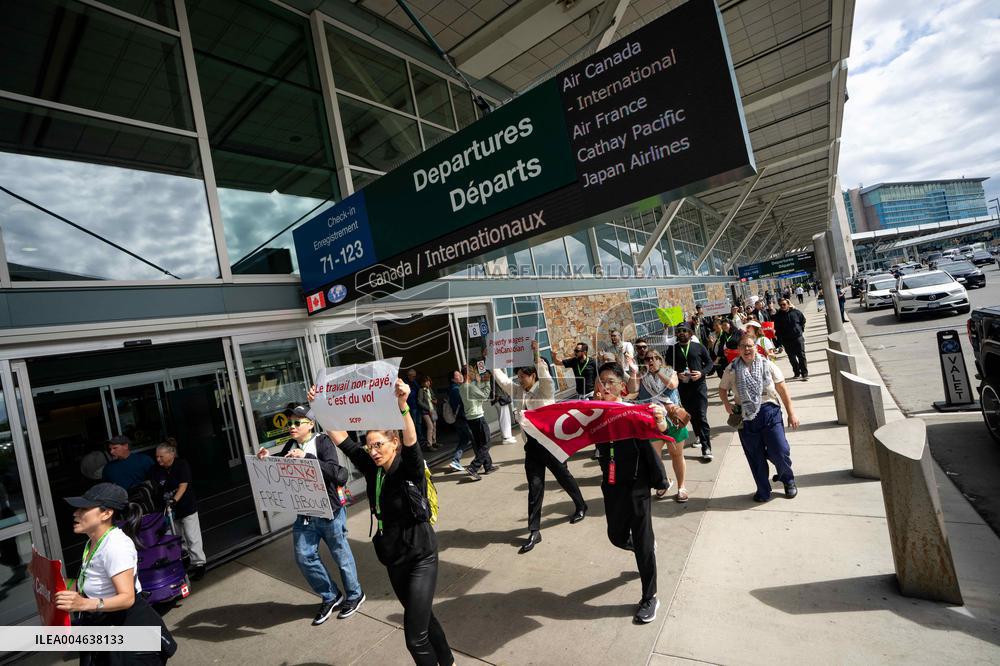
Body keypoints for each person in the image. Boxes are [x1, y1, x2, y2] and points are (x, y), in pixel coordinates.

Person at [322, 380, 455, 666]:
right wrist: (320, 406)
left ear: (393, 443)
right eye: (370, 446)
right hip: (394, 560)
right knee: (424, 619)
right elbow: (343, 440)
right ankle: (448, 661)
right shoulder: (374, 469)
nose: (372, 451)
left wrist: (403, 405)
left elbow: (411, 441)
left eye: (378, 444)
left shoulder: (409, 468)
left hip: (421, 557)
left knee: (414, 637)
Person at [256, 406, 364, 625]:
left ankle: (355, 595)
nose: (292, 427)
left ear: (310, 424)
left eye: (297, 423)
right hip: (305, 513)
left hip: (329, 511)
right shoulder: (290, 445)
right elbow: (281, 471)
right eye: (290, 423)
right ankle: (330, 595)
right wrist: (267, 459)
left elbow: (335, 472)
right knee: (304, 556)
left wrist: (306, 457)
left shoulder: (322, 442)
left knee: (340, 555)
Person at [57, 482, 176, 665]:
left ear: (106, 513)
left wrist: (84, 603)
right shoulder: (93, 543)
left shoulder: (116, 546)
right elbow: (91, 584)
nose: (76, 513)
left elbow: (127, 598)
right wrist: (52, 578)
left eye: (84, 508)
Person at [592, 362, 672, 624]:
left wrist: (661, 419)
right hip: (612, 485)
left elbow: (662, 427)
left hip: (637, 485)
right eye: (600, 381)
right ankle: (643, 548)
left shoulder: (631, 411)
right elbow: (561, 419)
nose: (604, 386)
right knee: (615, 536)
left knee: (642, 540)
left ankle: (650, 597)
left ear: (622, 388)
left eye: (609, 382)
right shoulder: (592, 413)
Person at [494, 341, 587, 554]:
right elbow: (501, 380)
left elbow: (545, 373)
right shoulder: (518, 390)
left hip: (551, 446)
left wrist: (536, 354)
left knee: (564, 477)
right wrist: (493, 362)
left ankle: (581, 505)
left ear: (533, 376)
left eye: (523, 376)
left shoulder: (545, 389)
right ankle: (534, 530)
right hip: (532, 449)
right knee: (535, 489)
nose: (519, 379)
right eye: (518, 376)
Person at [719, 333, 800, 502]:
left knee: (780, 450)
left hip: (769, 411)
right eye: (743, 347)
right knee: (755, 457)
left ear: (756, 347)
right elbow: (722, 388)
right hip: (746, 417)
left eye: (750, 346)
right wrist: (727, 404)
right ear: (739, 350)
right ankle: (763, 489)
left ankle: (788, 480)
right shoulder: (731, 369)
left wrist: (791, 413)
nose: (747, 349)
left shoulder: (767, 365)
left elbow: (782, 389)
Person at [148, 439, 206, 581]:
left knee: (192, 537)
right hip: (169, 510)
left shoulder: (181, 465)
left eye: (161, 456)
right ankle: (185, 561)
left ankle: (199, 564)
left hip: (186, 506)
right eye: (156, 456)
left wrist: (174, 501)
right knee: (178, 538)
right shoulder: (156, 470)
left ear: (171, 454)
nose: (158, 459)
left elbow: (183, 485)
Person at [637, 351, 688, 502]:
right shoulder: (642, 376)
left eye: (654, 358)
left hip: (673, 421)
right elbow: (633, 391)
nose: (651, 361)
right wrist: (634, 372)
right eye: (647, 359)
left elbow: (672, 385)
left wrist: (658, 371)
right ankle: (664, 482)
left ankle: (681, 487)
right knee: (655, 458)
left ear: (660, 359)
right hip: (653, 422)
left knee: (676, 455)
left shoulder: (670, 372)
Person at [666, 324, 715, 460]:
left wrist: (702, 373)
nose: (681, 333)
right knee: (691, 415)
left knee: (701, 416)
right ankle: (698, 435)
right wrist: (677, 374)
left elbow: (710, 364)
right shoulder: (672, 349)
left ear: (690, 333)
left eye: (684, 331)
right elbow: (668, 367)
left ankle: (706, 447)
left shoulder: (698, 347)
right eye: (679, 331)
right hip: (683, 388)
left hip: (699, 387)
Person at [458, 364, 497, 480]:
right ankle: (473, 467)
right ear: (468, 374)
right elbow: (485, 396)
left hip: (470, 418)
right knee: (486, 443)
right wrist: (487, 382)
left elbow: (476, 395)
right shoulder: (470, 387)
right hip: (478, 417)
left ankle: (488, 466)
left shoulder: (462, 387)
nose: (474, 374)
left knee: (481, 443)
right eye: (472, 372)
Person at [773, 299, 809, 381]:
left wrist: (800, 330)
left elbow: (803, 320)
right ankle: (796, 372)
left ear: (788, 304)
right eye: (781, 305)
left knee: (801, 356)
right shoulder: (778, 316)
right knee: (792, 357)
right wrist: (779, 342)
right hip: (786, 340)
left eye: (784, 304)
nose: (782, 306)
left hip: (798, 338)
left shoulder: (796, 312)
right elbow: (777, 329)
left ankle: (804, 374)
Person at [446, 371, 474, 475]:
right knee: (475, 440)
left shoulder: (453, 389)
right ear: (453, 379)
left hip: (458, 420)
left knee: (463, 440)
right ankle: (480, 462)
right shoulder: (456, 390)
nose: (461, 376)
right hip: (463, 419)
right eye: (458, 375)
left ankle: (455, 461)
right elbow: (463, 404)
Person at [483, 370, 516, 445]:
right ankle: (506, 437)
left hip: (500, 395)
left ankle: (507, 436)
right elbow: (490, 384)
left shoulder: (491, 370)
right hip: (499, 396)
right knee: (503, 417)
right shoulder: (488, 371)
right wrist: (497, 395)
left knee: (505, 416)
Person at [416, 377, 439, 450]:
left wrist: (435, 400)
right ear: (422, 383)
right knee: (430, 426)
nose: (428, 383)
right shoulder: (421, 390)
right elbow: (419, 402)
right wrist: (427, 408)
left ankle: (434, 442)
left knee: (434, 426)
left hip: (433, 410)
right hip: (426, 412)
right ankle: (429, 445)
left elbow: (434, 397)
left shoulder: (430, 389)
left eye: (429, 381)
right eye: (426, 382)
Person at [406, 369, 425, 447]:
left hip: (417, 406)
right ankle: (415, 439)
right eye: (413, 376)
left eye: (415, 376)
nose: (414, 377)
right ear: (409, 376)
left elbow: (419, 389)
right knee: (413, 424)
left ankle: (421, 438)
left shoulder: (414, 382)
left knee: (419, 423)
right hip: (411, 406)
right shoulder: (405, 383)